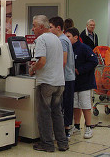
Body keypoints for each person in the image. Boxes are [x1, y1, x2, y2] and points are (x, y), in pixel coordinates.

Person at [29, 15, 68, 152]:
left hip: (46, 82)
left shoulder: (41, 39)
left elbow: (43, 61)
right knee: (57, 113)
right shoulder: (56, 38)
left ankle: (47, 144)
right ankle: (62, 143)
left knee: (44, 114)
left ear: (41, 27)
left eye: (34, 26)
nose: (32, 29)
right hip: (59, 82)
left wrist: (33, 69)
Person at [65, 27, 98, 139]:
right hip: (73, 82)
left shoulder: (84, 48)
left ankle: (89, 127)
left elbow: (94, 61)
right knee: (75, 105)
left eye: (68, 36)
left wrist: (80, 70)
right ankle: (77, 126)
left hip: (85, 82)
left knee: (85, 105)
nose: (66, 38)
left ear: (75, 37)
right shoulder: (68, 48)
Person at [49, 16, 75, 139]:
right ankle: (65, 129)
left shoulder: (62, 40)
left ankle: (65, 130)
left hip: (66, 77)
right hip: (67, 76)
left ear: (58, 28)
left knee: (64, 105)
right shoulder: (63, 39)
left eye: (51, 27)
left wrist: (55, 73)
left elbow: (63, 61)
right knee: (65, 104)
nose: (49, 30)